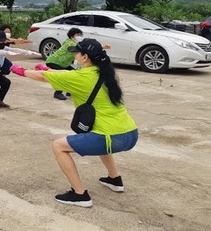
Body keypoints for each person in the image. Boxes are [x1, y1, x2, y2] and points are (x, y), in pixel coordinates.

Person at [10, 38, 138, 208]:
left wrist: (20, 71)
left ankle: (80, 194)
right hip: (130, 133)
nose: (75, 55)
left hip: (110, 137)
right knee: (97, 136)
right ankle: (114, 179)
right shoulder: (105, 72)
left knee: (58, 146)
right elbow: (67, 76)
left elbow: (43, 77)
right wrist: (49, 69)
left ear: (85, 57)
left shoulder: (80, 76)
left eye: (77, 53)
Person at [44, 27, 84, 101]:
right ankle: (58, 93)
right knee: (64, 76)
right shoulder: (70, 43)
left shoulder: (73, 43)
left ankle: (69, 91)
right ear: (72, 36)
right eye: (77, 35)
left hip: (62, 63)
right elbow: (81, 49)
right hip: (54, 62)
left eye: (80, 35)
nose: (79, 37)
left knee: (74, 74)